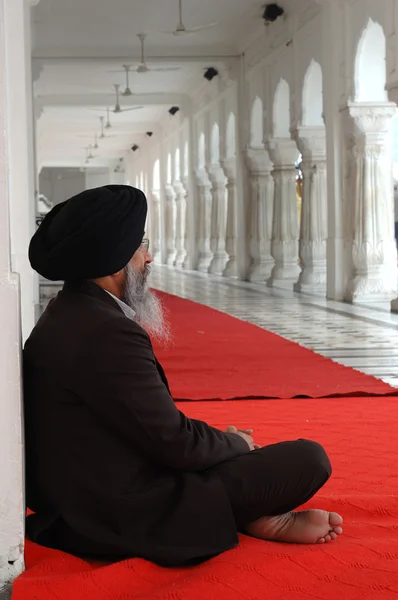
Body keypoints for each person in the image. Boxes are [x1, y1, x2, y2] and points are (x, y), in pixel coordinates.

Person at [24, 185, 343, 568]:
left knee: (221, 452)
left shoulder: (71, 314)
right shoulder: (105, 332)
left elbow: (153, 429)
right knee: (308, 459)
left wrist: (218, 446)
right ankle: (245, 514)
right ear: (113, 262)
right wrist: (236, 443)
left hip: (89, 493)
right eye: (140, 246)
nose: (149, 257)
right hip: (115, 513)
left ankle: (249, 512)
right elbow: (176, 443)